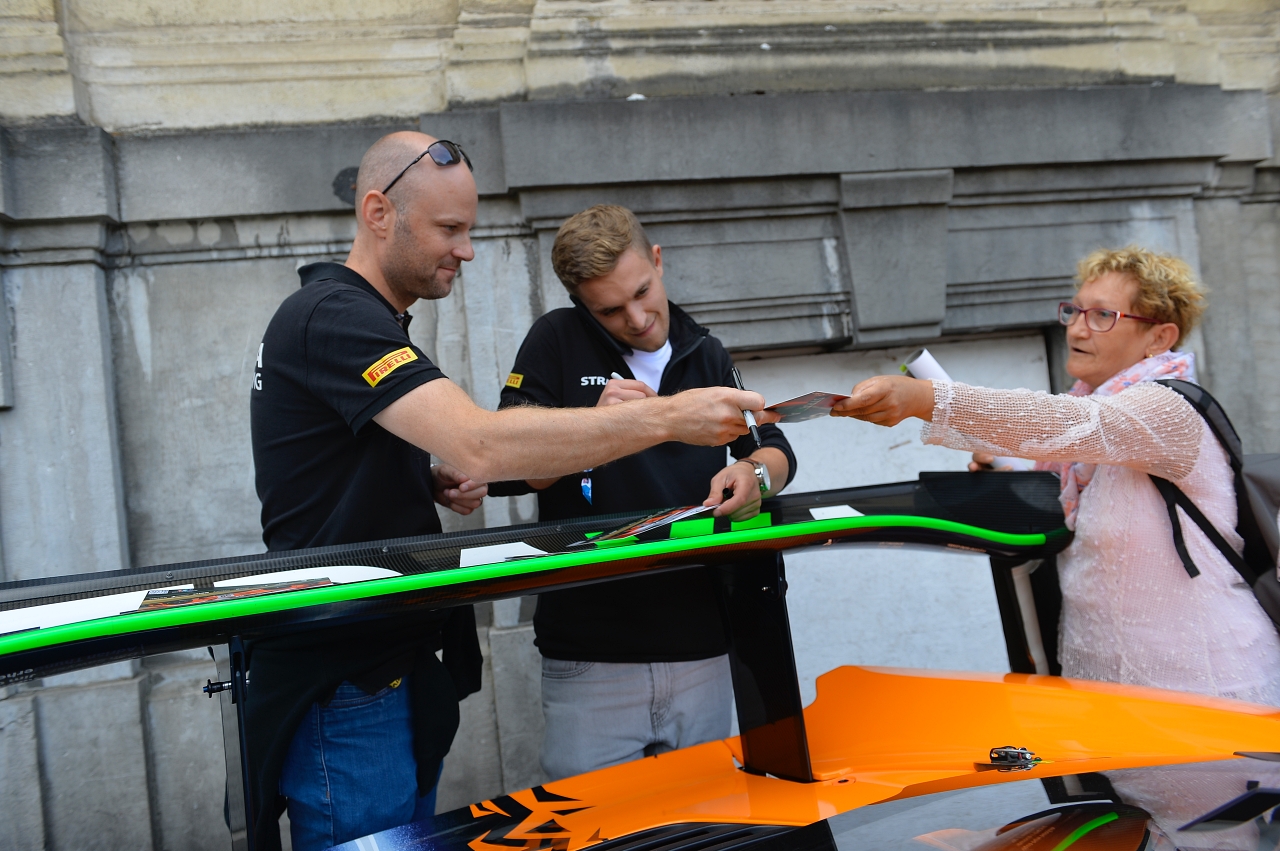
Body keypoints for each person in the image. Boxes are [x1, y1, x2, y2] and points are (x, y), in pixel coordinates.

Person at [248, 133, 773, 851]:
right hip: (349, 674)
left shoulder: (368, 319)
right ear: (378, 213)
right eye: (450, 228)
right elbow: (482, 444)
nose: (466, 250)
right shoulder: (336, 316)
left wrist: (420, 479)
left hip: (390, 660)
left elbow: (344, 466)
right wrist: (667, 418)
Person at [830, 246, 1280, 707]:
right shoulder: (1092, 428)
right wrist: (1011, 476)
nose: (1077, 328)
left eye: (1102, 315)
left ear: (1159, 337)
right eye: (1075, 311)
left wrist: (926, 398)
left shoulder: (1169, 409)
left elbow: (1068, 423)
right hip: (1110, 693)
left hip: (1210, 688)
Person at [492, 204, 796, 780]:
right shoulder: (555, 339)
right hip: (592, 650)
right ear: (581, 303)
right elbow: (513, 463)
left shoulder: (704, 349)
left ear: (657, 260)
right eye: (610, 310)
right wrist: (596, 425)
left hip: (704, 640)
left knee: (708, 820)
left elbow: (774, 448)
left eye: (642, 292)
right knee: (594, 825)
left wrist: (754, 475)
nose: (636, 319)